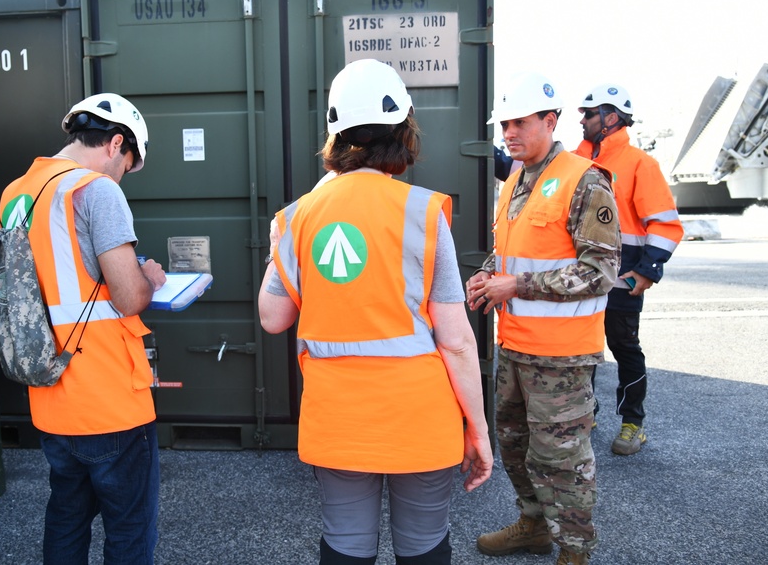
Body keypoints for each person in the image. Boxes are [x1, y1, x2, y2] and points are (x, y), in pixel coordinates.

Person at [259, 58, 493, 565]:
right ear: (404, 130)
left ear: (334, 135)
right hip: (420, 418)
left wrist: (280, 244)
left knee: (345, 543)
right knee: (424, 544)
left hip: (338, 418)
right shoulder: (424, 212)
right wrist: (477, 429)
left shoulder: (296, 218)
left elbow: (273, 317)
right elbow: (456, 340)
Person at [0, 92, 167, 564]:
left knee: (66, 519)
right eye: (127, 165)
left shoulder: (16, 194)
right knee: (129, 531)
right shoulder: (94, 190)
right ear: (115, 144)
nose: (122, 177)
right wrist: (149, 277)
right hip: (109, 399)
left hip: (50, 397)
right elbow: (129, 297)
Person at [467, 73, 620, 565]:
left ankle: (575, 551)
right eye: (504, 124)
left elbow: (600, 272)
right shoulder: (516, 177)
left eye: (519, 122)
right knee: (514, 446)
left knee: (562, 460)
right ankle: (533, 526)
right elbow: (513, 251)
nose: (508, 133)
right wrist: (488, 274)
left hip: (561, 355)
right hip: (515, 346)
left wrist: (517, 286)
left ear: (550, 122)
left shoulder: (585, 179)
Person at [574, 84, 683, 455]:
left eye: (589, 113)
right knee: (581, 349)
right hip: (583, 279)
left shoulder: (640, 164)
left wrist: (648, 271)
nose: (582, 119)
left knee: (624, 349)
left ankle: (632, 423)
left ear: (611, 118)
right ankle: (587, 412)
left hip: (622, 281)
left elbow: (665, 224)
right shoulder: (575, 159)